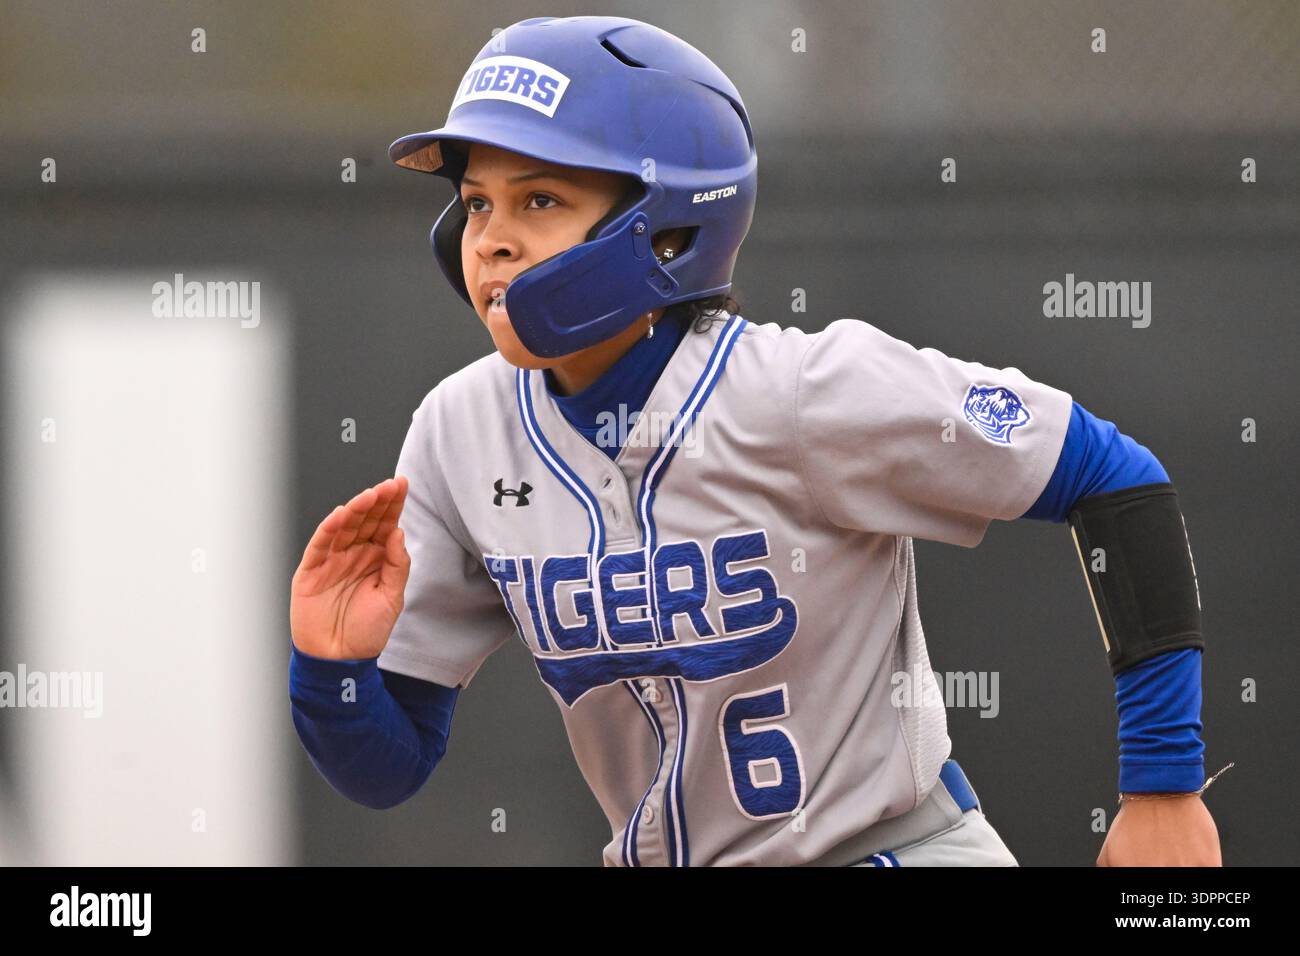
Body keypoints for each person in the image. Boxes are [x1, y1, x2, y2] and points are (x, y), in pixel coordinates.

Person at [289, 15, 1223, 866]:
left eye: (540, 201)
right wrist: (330, 666)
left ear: (664, 231)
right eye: (478, 202)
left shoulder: (803, 393)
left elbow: (1113, 478)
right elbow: (387, 770)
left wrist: (1163, 787)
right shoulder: (460, 430)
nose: (489, 239)